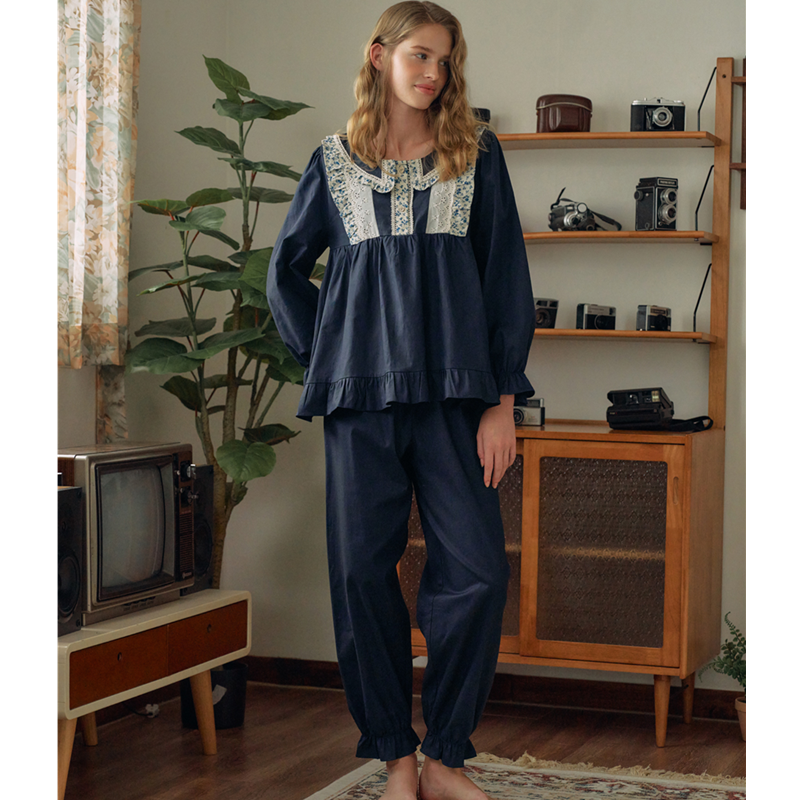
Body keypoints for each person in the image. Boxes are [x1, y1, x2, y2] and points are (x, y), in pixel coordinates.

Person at [267, 3, 535, 798]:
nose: (433, 73)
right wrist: (328, 362)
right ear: (379, 55)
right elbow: (285, 272)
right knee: (359, 578)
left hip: (457, 402)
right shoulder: (333, 161)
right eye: (420, 55)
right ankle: (396, 758)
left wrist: (502, 402)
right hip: (362, 407)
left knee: (478, 575)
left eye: (445, 61)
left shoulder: (476, 156)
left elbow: (505, 278)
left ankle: (445, 755)